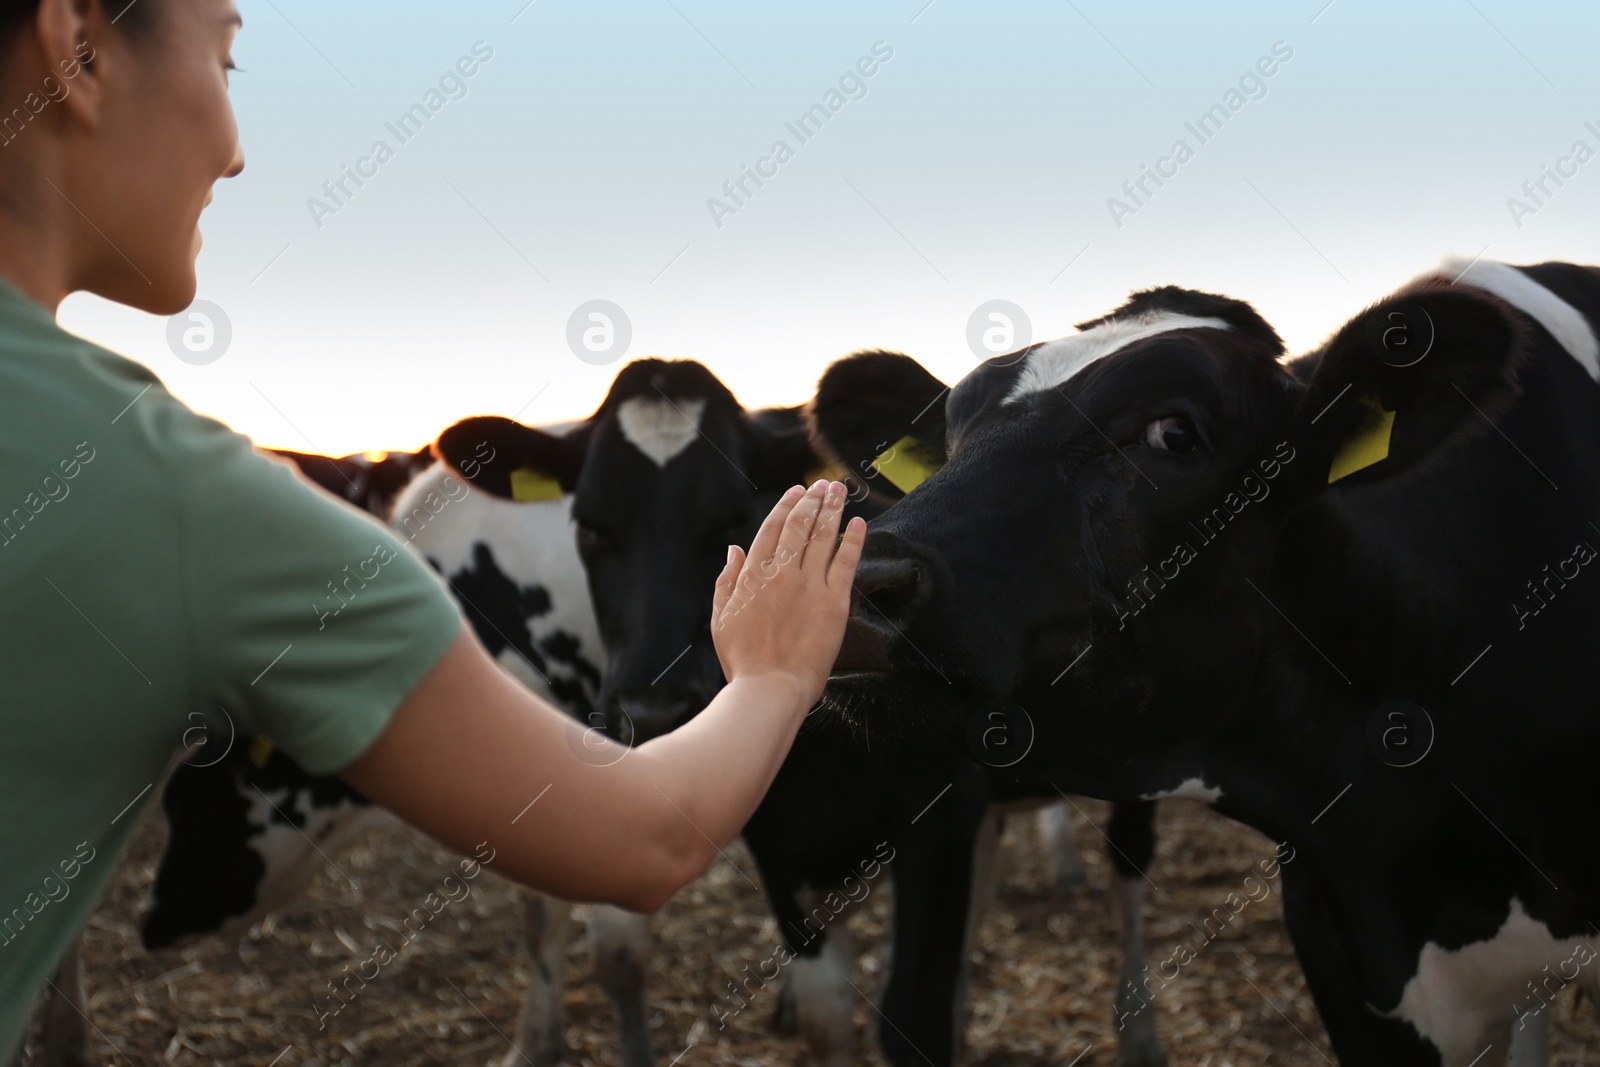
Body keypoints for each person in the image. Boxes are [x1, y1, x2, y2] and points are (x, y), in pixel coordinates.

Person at [0, 0, 866, 1056]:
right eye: (227, 58)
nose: (233, 151)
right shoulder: (169, 492)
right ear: (76, 46)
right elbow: (648, 835)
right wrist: (774, 675)